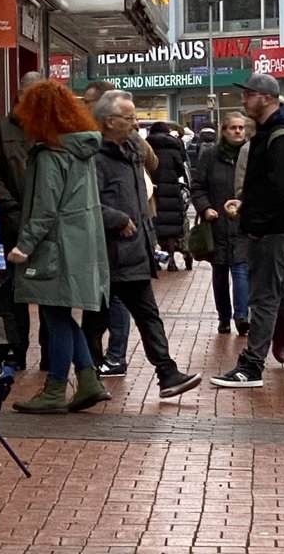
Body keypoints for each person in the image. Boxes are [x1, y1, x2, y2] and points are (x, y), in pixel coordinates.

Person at [211, 74, 284, 389]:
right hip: (275, 228)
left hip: (275, 231)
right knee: (278, 292)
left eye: (248, 94)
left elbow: (280, 192)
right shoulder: (272, 134)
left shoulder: (279, 137)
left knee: (265, 297)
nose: (243, 100)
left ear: (266, 97)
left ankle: (252, 366)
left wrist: (253, 223)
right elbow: (271, 189)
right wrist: (247, 207)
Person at [80, 91, 202, 400]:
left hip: (134, 250)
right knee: (96, 322)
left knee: (145, 315)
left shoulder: (132, 149)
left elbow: (144, 189)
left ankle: (166, 373)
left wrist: (149, 234)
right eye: (130, 117)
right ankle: (89, 376)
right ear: (109, 122)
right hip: (106, 253)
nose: (136, 123)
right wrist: (116, 218)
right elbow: (85, 202)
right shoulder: (93, 156)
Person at [5, 80, 110, 414]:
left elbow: (45, 206)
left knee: (55, 315)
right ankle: (88, 380)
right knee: (61, 314)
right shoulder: (81, 149)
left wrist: (25, 245)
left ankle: (55, 389)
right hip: (78, 244)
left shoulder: (50, 153)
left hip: (55, 247)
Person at [0, 71, 45, 369]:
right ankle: (17, 350)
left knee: (49, 292)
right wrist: (10, 208)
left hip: (48, 226)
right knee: (17, 291)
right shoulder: (3, 129)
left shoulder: (53, 127)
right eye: (26, 94)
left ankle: (51, 353)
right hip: (14, 224)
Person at [190, 111, 250, 337]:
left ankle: (241, 316)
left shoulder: (250, 155)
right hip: (217, 224)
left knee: (241, 268)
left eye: (241, 128)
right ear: (223, 131)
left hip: (242, 223)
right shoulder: (210, 156)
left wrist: (244, 205)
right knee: (220, 271)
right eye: (233, 128)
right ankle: (223, 317)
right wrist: (205, 208)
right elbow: (198, 186)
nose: (238, 131)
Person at [148, 121, 191, 271]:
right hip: (171, 191)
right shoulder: (173, 148)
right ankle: (172, 260)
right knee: (171, 226)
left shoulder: (148, 147)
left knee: (156, 223)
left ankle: (157, 260)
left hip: (153, 190)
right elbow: (180, 169)